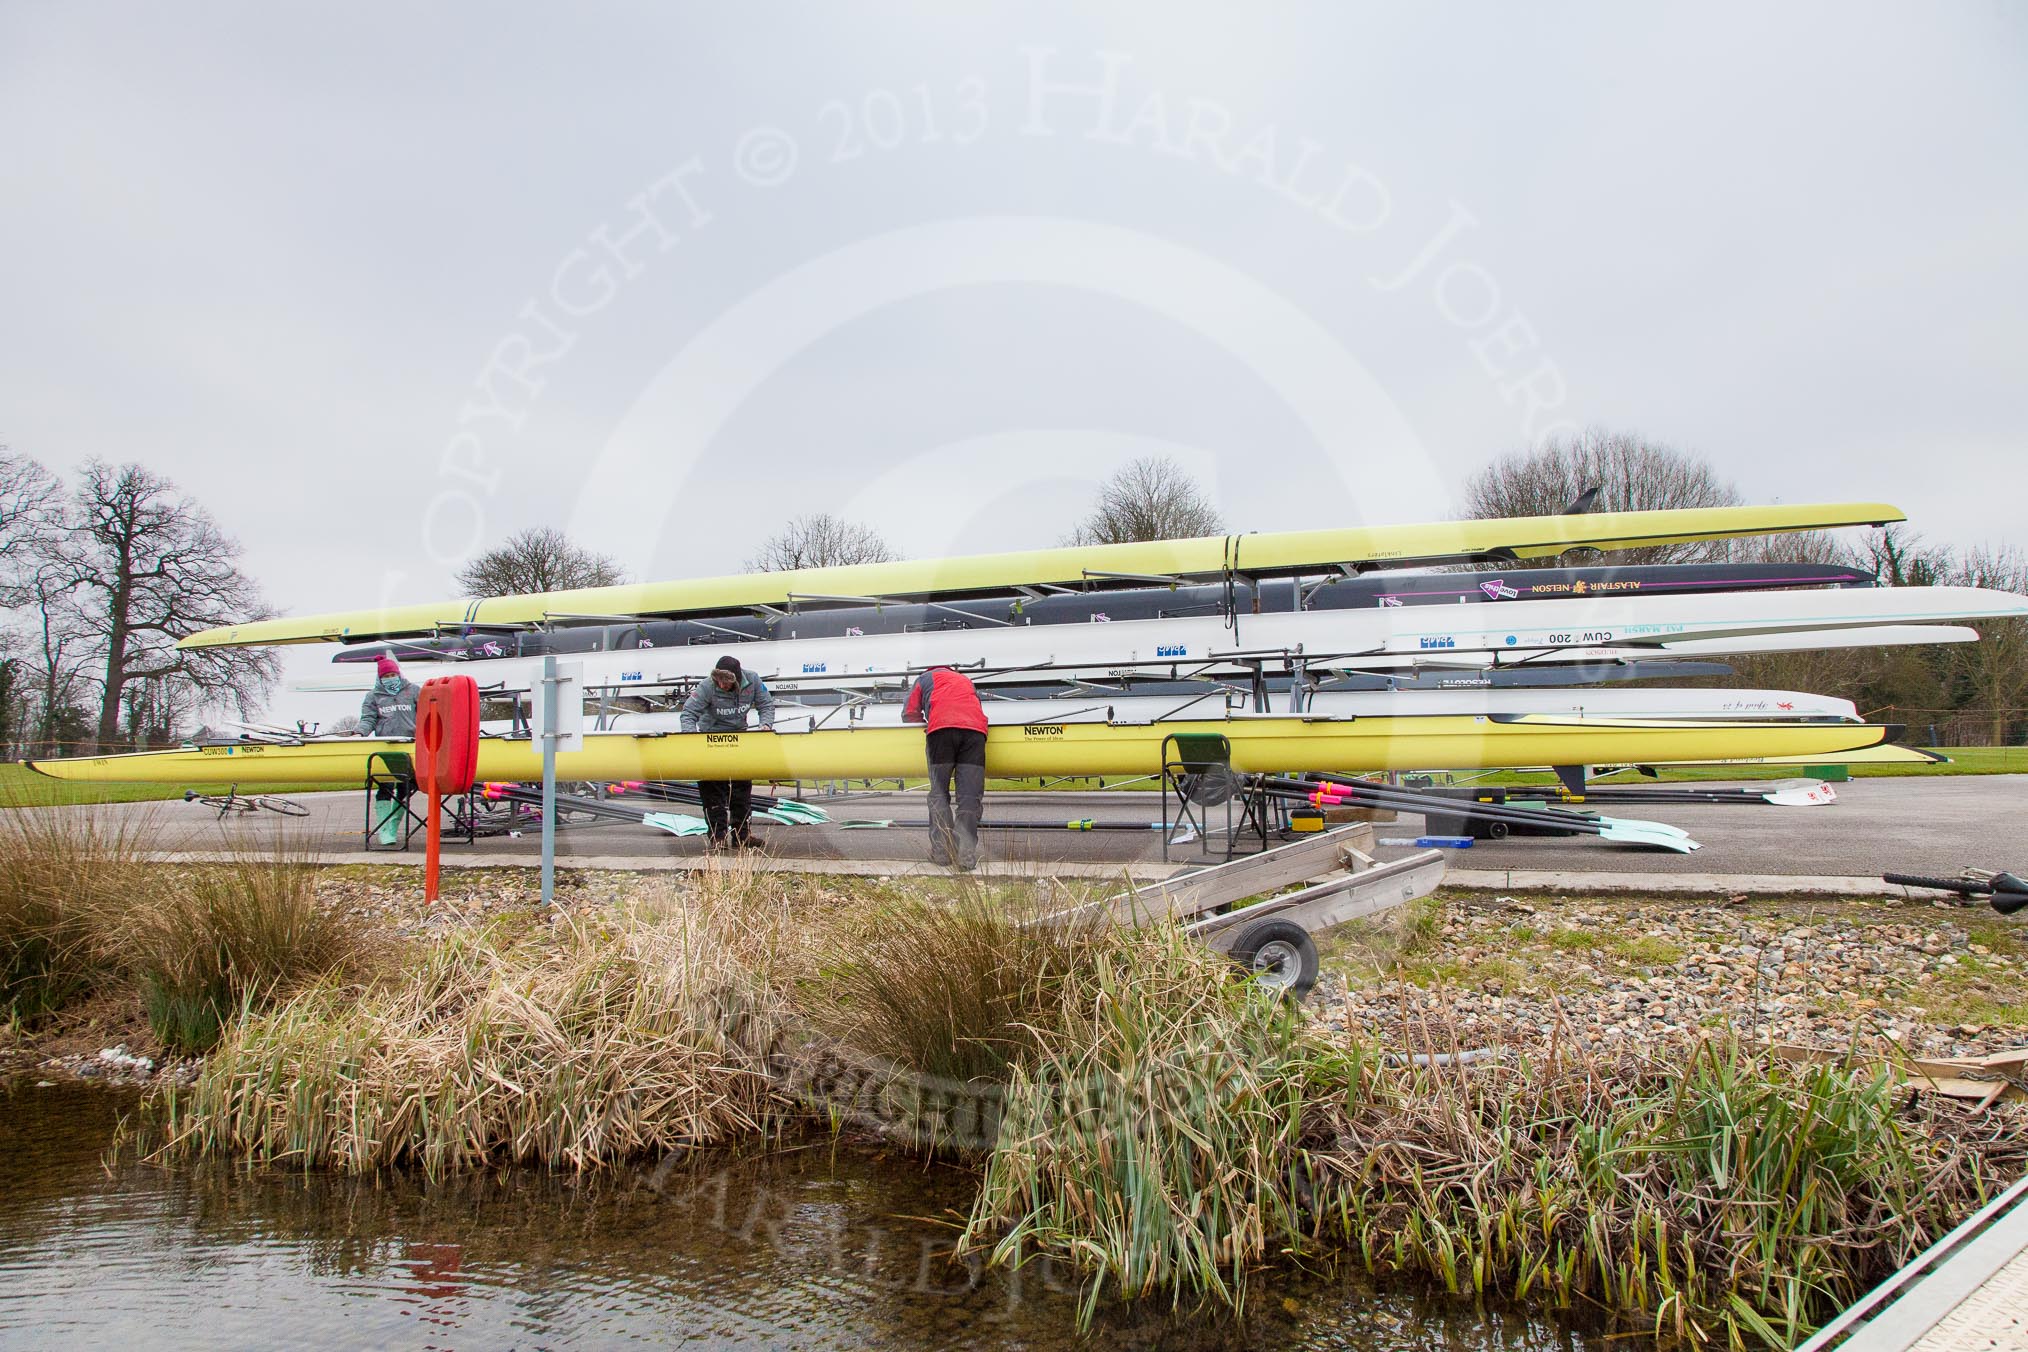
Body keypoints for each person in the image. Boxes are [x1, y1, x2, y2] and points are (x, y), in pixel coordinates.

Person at [680, 655, 775, 849]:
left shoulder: (753, 680)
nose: (722, 686)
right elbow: (688, 713)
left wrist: (766, 726)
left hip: (739, 739)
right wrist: (690, 738)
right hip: (711, 741)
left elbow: (766, 705)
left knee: (741, 791)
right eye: (719, 682)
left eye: (727, 683)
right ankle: (718, 837)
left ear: (738, 679)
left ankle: (742, 836)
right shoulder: (706, 686)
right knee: (713, 792)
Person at [902, 665, 989, 870]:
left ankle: (942, 853)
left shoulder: (924, 678)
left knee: (939, 794)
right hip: (974, 733)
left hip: (941, 731)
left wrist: (927, 718)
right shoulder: (964, 680)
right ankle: (965, 857)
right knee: (969, 797)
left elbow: (909, 713)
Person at [358, 655, 421, 738]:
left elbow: (425, 714)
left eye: (393, 675)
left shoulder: (414, 690)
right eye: (386, 676)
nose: (390, 678)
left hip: (412, 740)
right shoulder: (373, 696)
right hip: (385, 742)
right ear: (380, 678)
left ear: (398, 675)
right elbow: (368, 719)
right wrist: (360, 732)